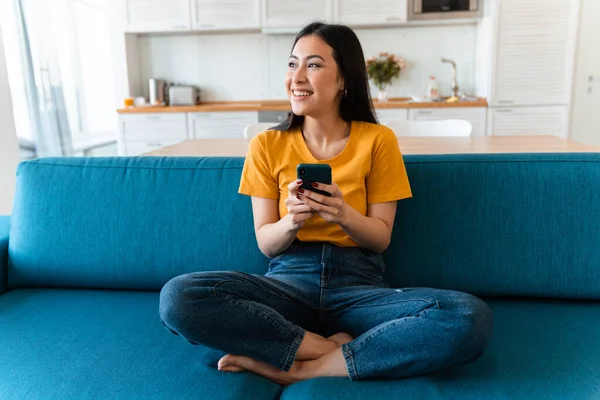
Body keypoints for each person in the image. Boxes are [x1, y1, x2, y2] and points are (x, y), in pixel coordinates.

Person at [159, 22, 493, 386]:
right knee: (179, 296)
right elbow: (265, 242)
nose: (297, 77)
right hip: (288, 283)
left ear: (344, 80)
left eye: (313, 65)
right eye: (292, 64)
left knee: (466, 316)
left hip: (360, 287)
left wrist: (344, 215)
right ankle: (321, 347)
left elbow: (380, 239)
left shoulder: (378, 140)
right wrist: (290, 222)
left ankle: (304, 368)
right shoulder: (265, 146)